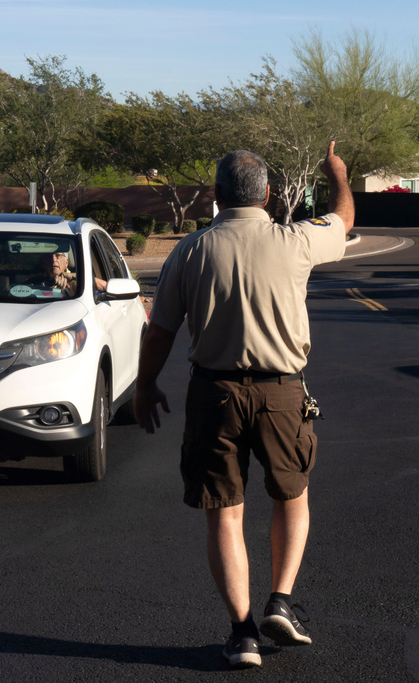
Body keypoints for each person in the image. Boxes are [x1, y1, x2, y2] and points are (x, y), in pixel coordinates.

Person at [134, 142, 355, 669]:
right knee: (292, 495)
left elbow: (160, 332)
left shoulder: (188, 251)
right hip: (282, 392)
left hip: (213, 394)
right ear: (270, 196)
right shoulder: (296, 240)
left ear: (216, 196)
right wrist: (337, 173)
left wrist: (145, 386)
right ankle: (281, 600)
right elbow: (343, 219)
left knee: (224, 514)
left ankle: (242, 635)